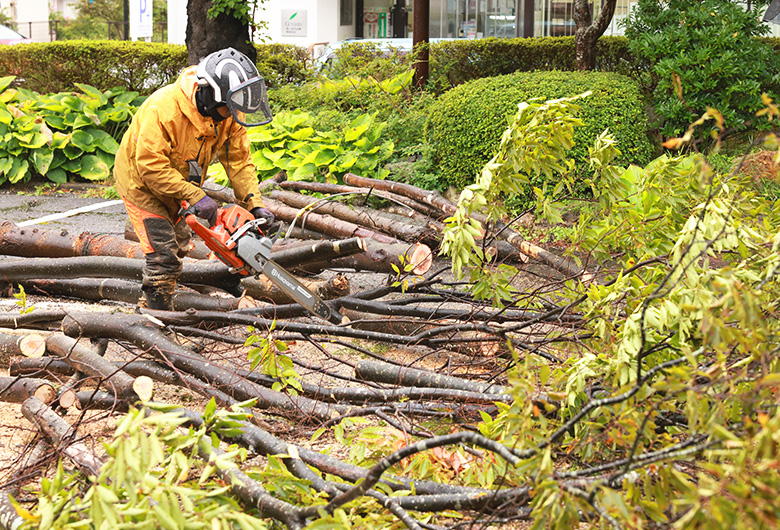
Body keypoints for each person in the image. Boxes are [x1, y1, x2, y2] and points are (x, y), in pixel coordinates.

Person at [114, 47, 276, 311]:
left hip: (180, 180)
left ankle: (154, 304)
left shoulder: (228, 114)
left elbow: (239, 162)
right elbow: (151, 167)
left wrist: (253, 205)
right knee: (162, 256)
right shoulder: (163, 109)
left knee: (177, 245)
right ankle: (155, 321)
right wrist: (194, 195)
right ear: (212, 96)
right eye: (230, 108)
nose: (234, 115)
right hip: (140, 183)